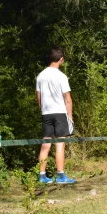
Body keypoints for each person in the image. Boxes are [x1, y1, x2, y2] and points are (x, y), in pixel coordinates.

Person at [36, 47, 76, 184]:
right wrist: (70, 116)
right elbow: (68, 99)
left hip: (46, 113)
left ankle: (42, 176)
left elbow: (38, 97)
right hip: (60, 113)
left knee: (45, 144)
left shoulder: (40, 75)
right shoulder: (61, 76)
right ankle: (60, 176)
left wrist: (43, 109)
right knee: (60, 144)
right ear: (61, 59)